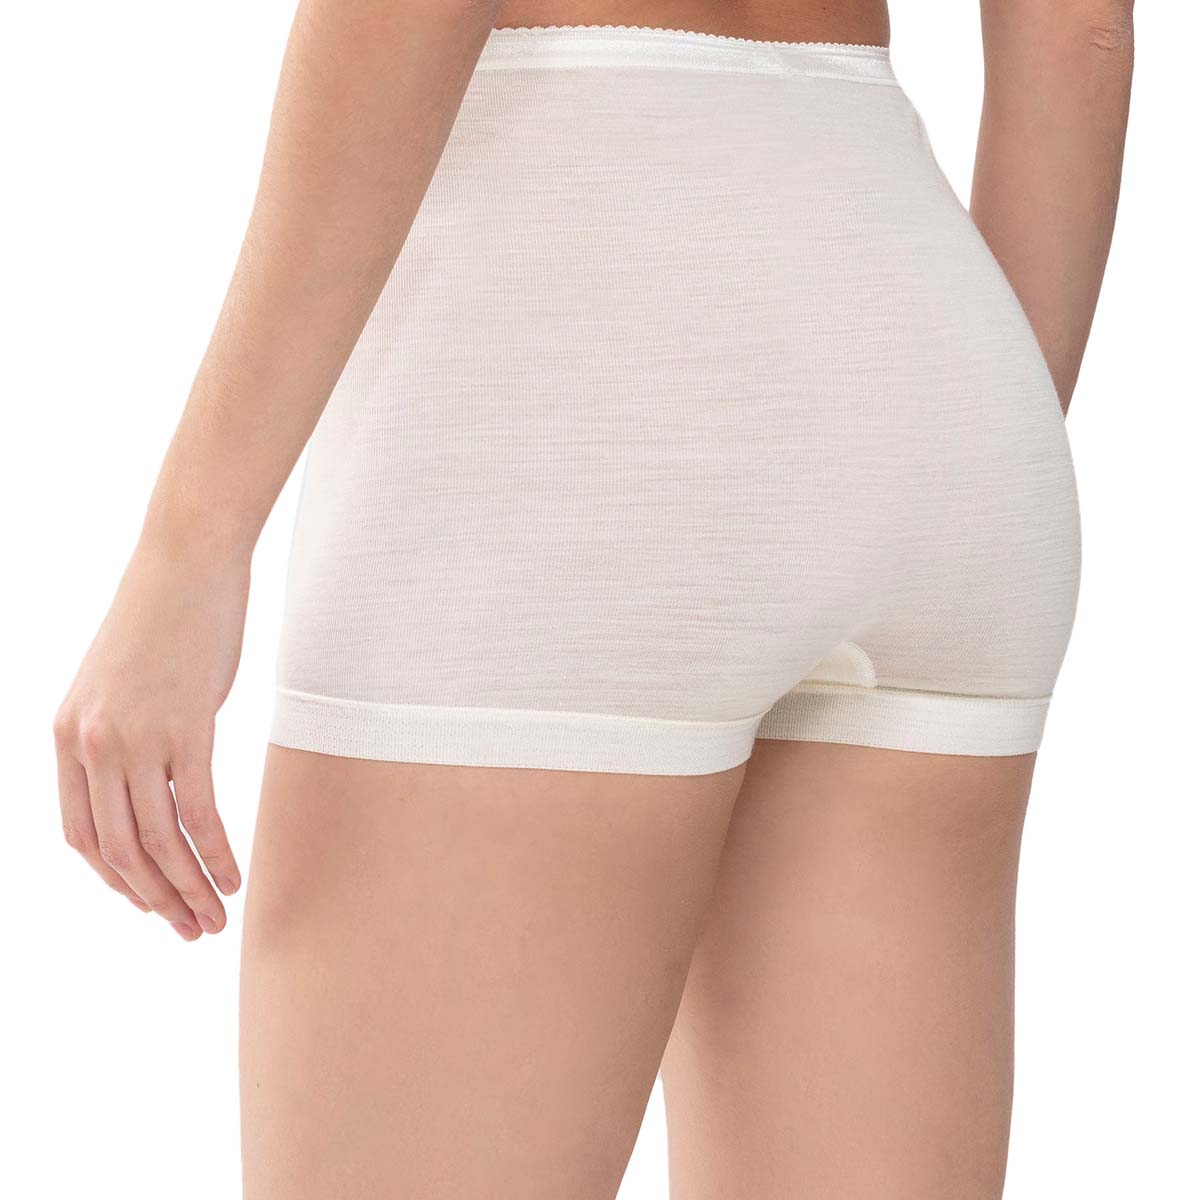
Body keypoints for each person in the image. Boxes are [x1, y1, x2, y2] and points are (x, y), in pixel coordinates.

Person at [52, 1, 1134, 1196]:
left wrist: (190, 545)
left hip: (574, 356)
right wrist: (971, 446)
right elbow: (1079, 29)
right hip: (922, 327)